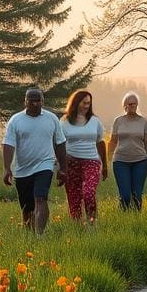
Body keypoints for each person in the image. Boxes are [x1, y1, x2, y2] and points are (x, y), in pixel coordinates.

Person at [2, 87, 67, 234]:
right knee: (27, 208)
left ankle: (40, 235)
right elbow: (8, 145)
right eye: (32, 101)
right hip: (22, 169)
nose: (36, 104)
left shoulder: (51, 119)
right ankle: (29, 235)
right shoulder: (16, 120)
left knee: (41, 198)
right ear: (25, 102)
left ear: (43, 101)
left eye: (39, 101)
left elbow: (60, 143)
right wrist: (7, 168)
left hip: (45, 165)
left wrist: (63, 169)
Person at [60, 90, 107, 223]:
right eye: (84, 103)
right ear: (76, 103)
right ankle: (77, 227)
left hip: (91, 161)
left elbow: (100, 142)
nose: (87, 105)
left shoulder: (94, 121)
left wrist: (104, 166)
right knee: (74, 198)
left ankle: (92, 222)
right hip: (71, 162)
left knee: (88, 193)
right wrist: (60, 167)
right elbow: (59, 144)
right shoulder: (64, 122)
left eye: (88, 103)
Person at [108, 92, 147, 210]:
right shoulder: (118, 121)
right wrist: (107, 159)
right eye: (129, 104)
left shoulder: (143, 122)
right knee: (125, 195)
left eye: (134, 104)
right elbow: (113, 141)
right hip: (120, 162)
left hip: (140, 161)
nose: (132, 106)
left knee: (137, 195)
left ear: (137, 105)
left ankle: (136, 221)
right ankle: (122, 219)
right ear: (125, 105)